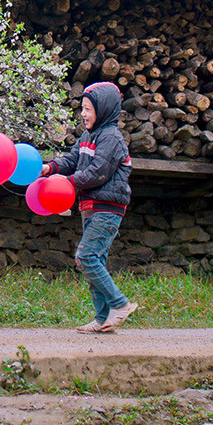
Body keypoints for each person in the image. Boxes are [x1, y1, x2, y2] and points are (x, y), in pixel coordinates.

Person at [44, 80, 139, 333]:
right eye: (82, 108)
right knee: (94, 260)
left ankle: (120, 304)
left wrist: (67, 181)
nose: (83, 114)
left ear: (104, 109)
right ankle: (102, 318)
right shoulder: (88, 136)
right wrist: (50, 168)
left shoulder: (112, 138)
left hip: (107, 209)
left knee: (86, 257)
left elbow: (98, 173)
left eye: (88, 109)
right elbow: (74, 160)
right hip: (90, 207)